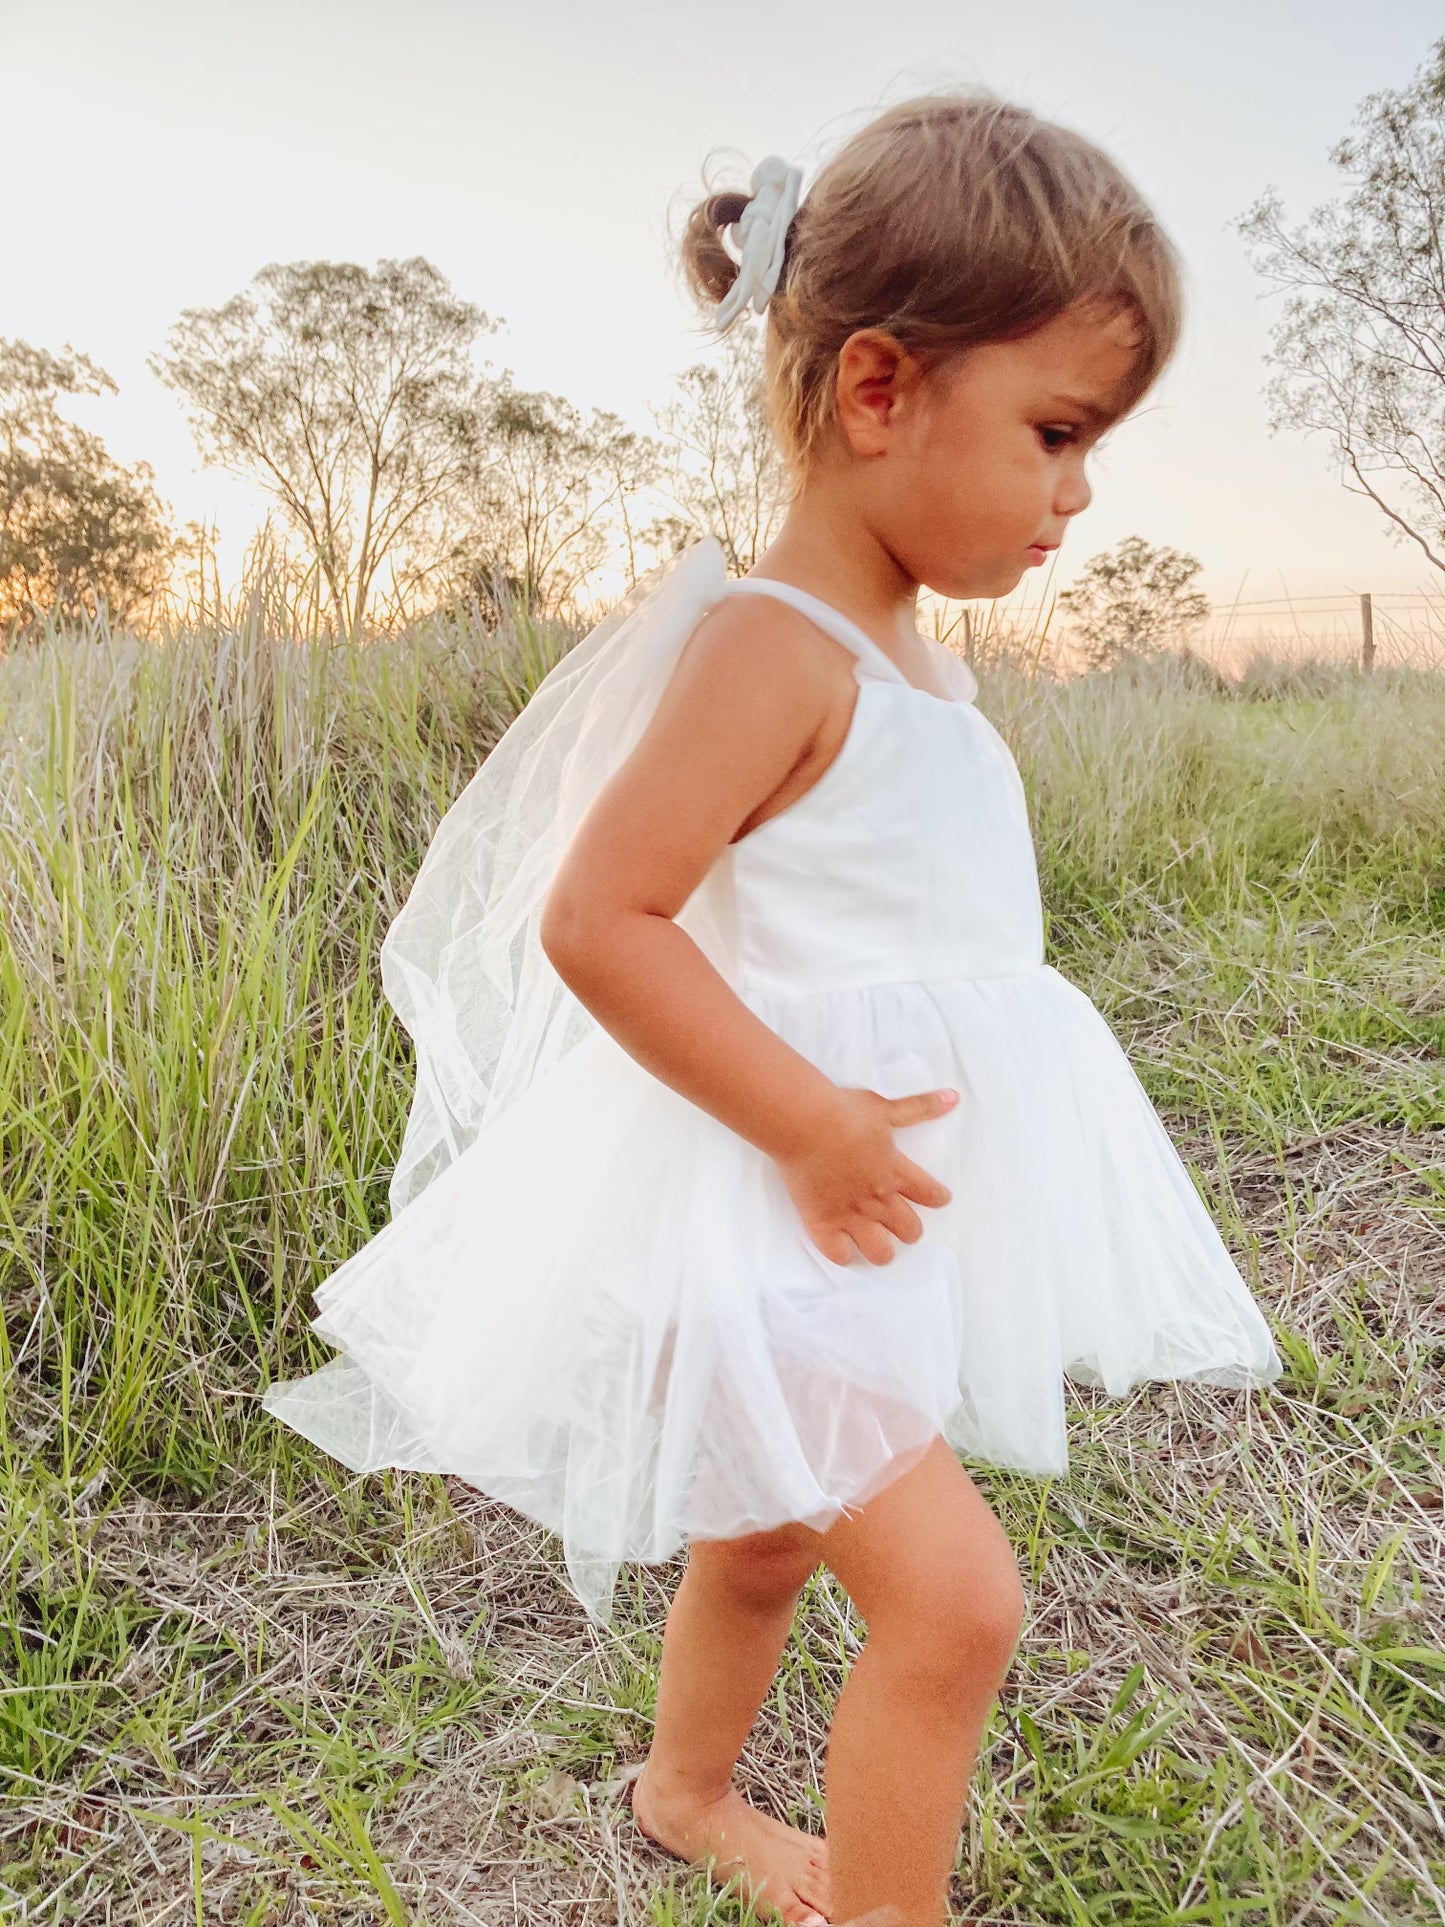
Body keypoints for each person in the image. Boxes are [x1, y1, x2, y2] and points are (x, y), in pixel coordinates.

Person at [264, 90, 1282, 1927]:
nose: (1074, 496)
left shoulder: (921, 667)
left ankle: (681, 1793)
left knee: (754, 1549)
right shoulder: (770, 648)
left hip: (859, 1221)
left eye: (1093, 451)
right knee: (956, 1606)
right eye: (1055, 434)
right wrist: (810, 1122)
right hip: (762, 1203)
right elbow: (603, 918)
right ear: (878, 391)